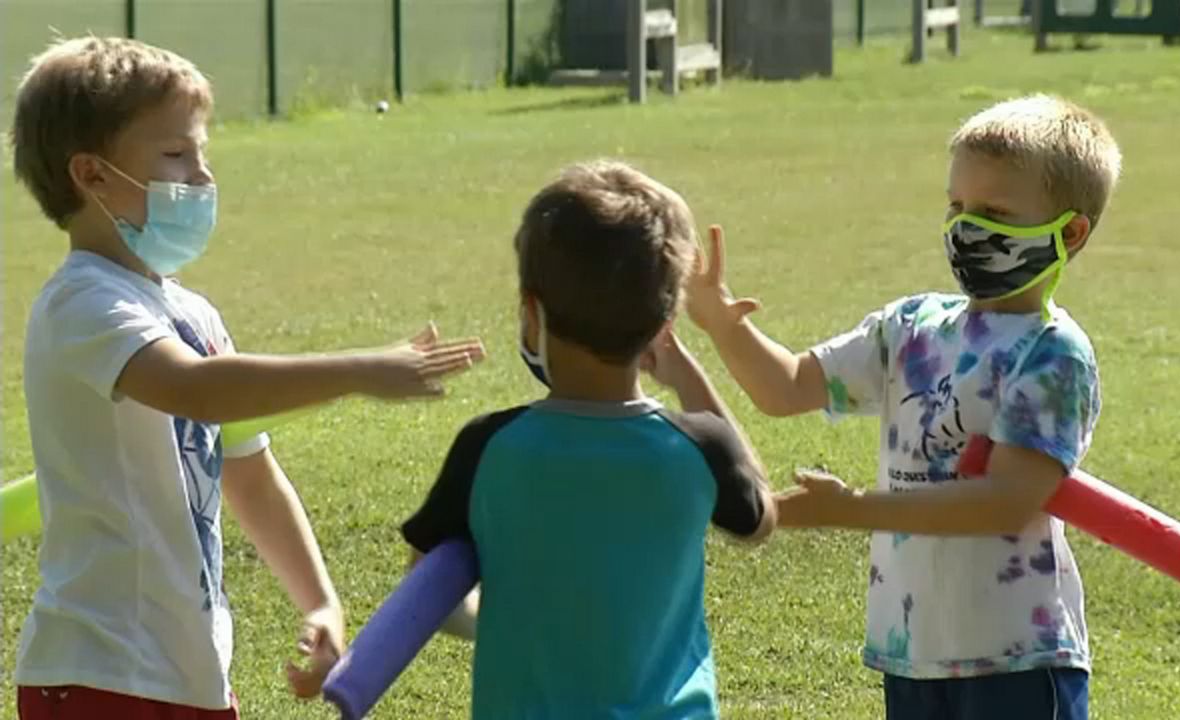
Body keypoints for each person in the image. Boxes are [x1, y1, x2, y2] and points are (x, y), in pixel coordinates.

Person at [9, 36, 485, 719]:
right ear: (92, 174)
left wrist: (320, 598)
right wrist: (358, 370)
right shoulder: (81, 303)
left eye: (202, 153)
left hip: (191, 668)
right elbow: (194, 389)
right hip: (96, 670)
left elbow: (251, 476)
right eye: (175, 155)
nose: (201, 177)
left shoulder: (191, 312)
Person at [685, 95, 1121, 719]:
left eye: (994, 212)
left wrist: (852, 510)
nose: (966, 228)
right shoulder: (912, 327)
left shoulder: (1053, 354)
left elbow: (1006, 500)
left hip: (1017, 657)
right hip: (912, 648)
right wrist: (723, 327)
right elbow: (785, 389)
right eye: (957, 207)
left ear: (1069, 232)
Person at [400, 160, 777, 718]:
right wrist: (684, 374)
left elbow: (432, 596)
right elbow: (761, 517)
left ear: (532, 315)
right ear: (664, 327)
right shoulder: (700, 448)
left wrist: (509, 624)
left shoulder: (487, 448)